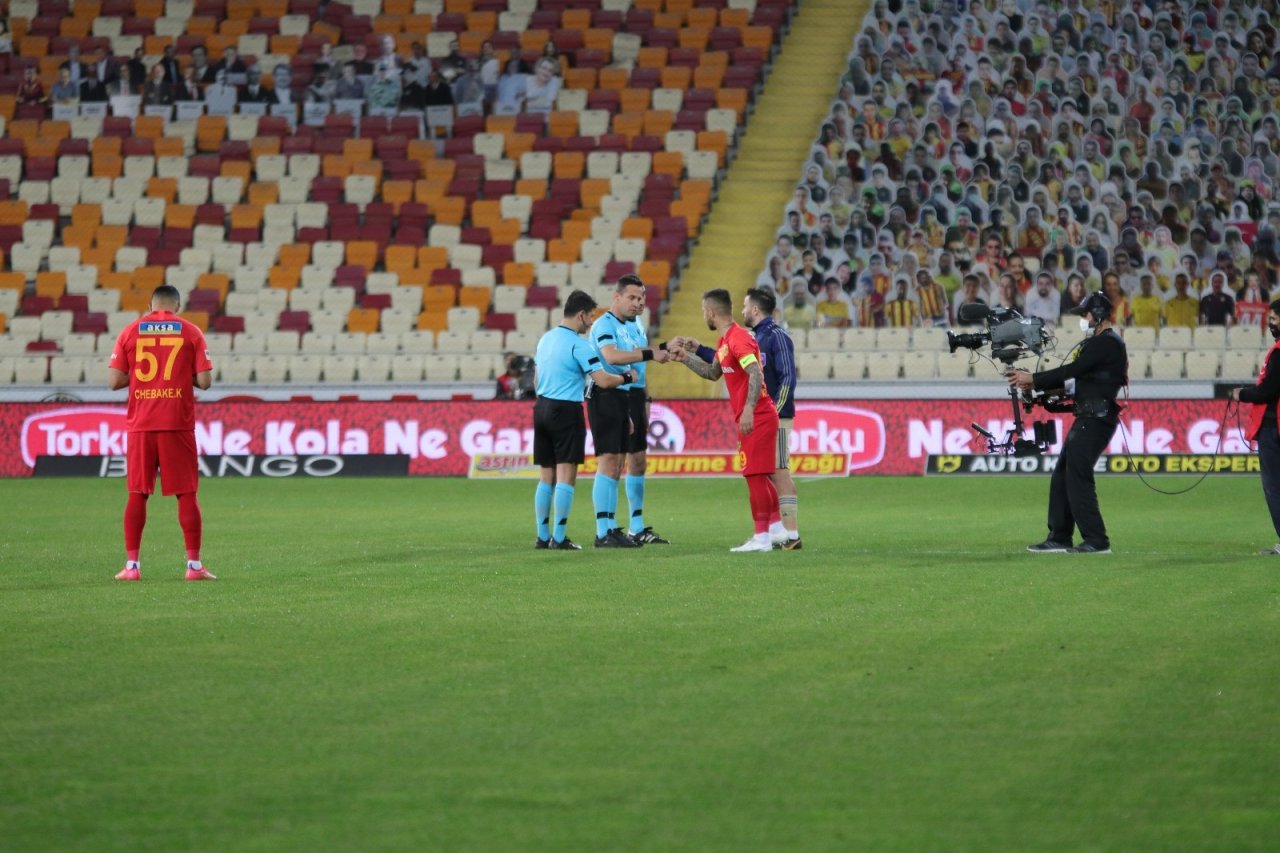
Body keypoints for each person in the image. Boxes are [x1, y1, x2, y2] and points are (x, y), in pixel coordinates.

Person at [107, 285, 216, 581]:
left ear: (150, 304)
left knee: (137, 493)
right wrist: (180, 374)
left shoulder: (130, 331)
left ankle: (132, 567)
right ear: (177, 306)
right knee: (187, 494)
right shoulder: (191, 331)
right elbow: (205, 382)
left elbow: (115, 380)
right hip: (177, 423)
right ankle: (194, 567)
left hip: (141, 424)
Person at [1008, 291, 1128, 555]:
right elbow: (1076, 384)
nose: (1082, 320)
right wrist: (1041, 396)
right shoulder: (1100, 344)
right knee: (1063, 472)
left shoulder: (1105, 343)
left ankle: (1096, 540)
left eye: (1085, 314)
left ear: (1096, 314)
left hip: (1096, 418)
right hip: (1090, 417)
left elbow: (1071, 372)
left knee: (1076, 474)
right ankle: (1060, 536)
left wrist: (1034, 380)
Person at [670, 289, 781, 553]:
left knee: (754, 476)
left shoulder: (738, 339)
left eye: (702, 311)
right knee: (761, 476)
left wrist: (749, 410)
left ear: (711, 312)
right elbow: (712, 373)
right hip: (759, 415)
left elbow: (755, 372)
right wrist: (686, 357)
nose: (703, 316)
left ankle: (761, 537)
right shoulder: (725, 342)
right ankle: (776, 530)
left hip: (758, 416)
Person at [532, 290, 632, 551]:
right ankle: (559, 537)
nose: (590, 323)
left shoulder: (545, 339)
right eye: (589, 317)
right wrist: (628, 378)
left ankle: (542, 537)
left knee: (546, 476)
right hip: (565, 410)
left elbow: (535, 380)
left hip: (541, 406)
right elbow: (603, 380)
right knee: (566, 475)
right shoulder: (579, 344)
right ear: (580, 315)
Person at [587, 274, 672, 547]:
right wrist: (652, 353)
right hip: (607, 392)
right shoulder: (605, 325)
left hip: (630, 395)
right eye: (633, 298)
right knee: (610, 460)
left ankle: (629, 527)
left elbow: (640, 359)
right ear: (617, 297)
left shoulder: (635, 325)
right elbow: (613, 356)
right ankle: (605, 530)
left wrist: (665, 348)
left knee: (632, 460)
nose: (639, 303)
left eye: (642, 298)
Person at [743, 288, 802, 550]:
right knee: (768, 472)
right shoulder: (756, 338)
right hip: (764, 417)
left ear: (755, 310)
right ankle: (781, 532)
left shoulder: (777, 337)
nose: (742, 310)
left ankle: (791, 534)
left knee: (779, 471)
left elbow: (788, 376)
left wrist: (775, 412)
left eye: (745, 306)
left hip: (776, 416)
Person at [1231, 300, 1280, 554]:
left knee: (1274, 486)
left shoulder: (1279, 352)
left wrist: (1242, 394)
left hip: (1274, 428)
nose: (1271, 323)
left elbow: (1268, 392)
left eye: (1274, 318)